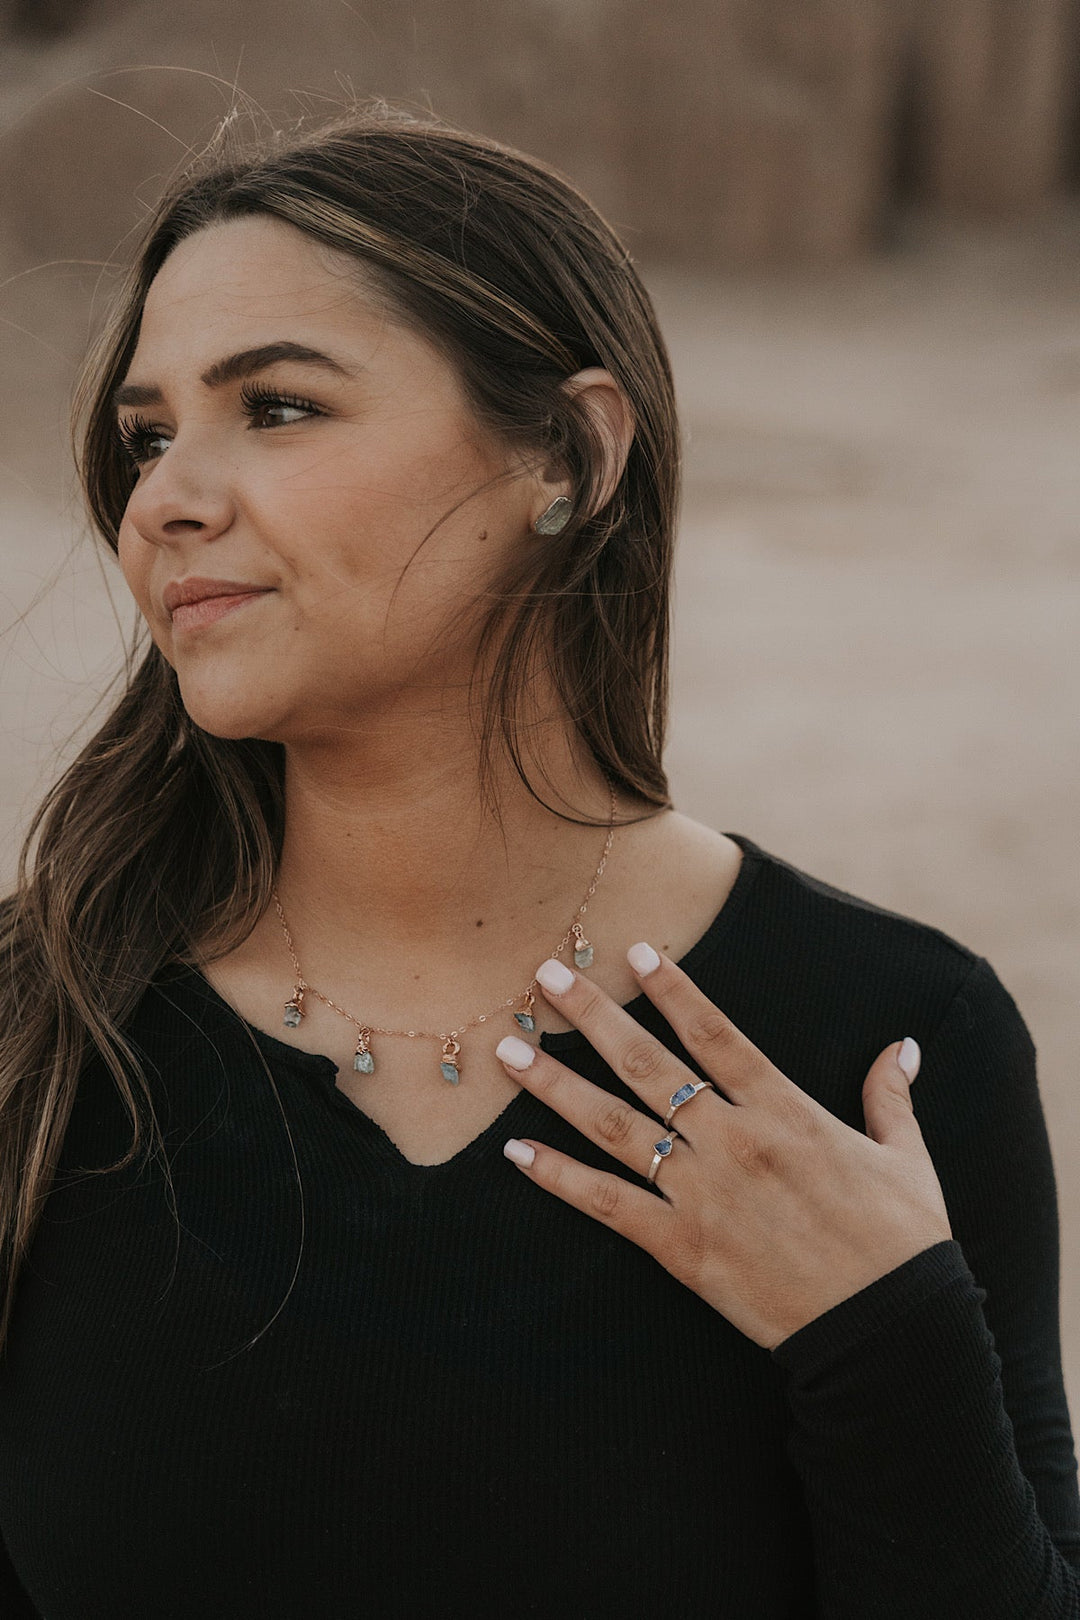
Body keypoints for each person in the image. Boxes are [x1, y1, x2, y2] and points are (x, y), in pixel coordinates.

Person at [0, 105, 1076, 1619]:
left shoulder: (889, 1040)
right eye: (148, 435)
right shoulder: (43, 1033)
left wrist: (887, 1335)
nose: (167, 499)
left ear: (568, 453)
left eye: (283, 408)